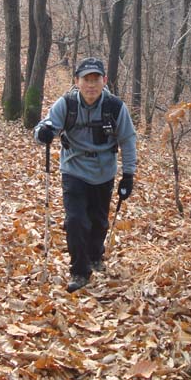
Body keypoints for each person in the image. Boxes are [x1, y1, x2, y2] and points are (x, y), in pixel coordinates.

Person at [34, 57, 137, 292]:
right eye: (86, 80)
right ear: (77, 82)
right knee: (76, 221)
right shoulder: (66, 104)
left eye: (95, 79)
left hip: (104, 172)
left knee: (99, 222)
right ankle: (79, 271)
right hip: (74, 170)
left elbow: (128, 140)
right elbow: (44, 127)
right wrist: (44, 134)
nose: (91, 85)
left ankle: (95, 255)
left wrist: (128, 174)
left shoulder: (115, 107)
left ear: (104, 81)